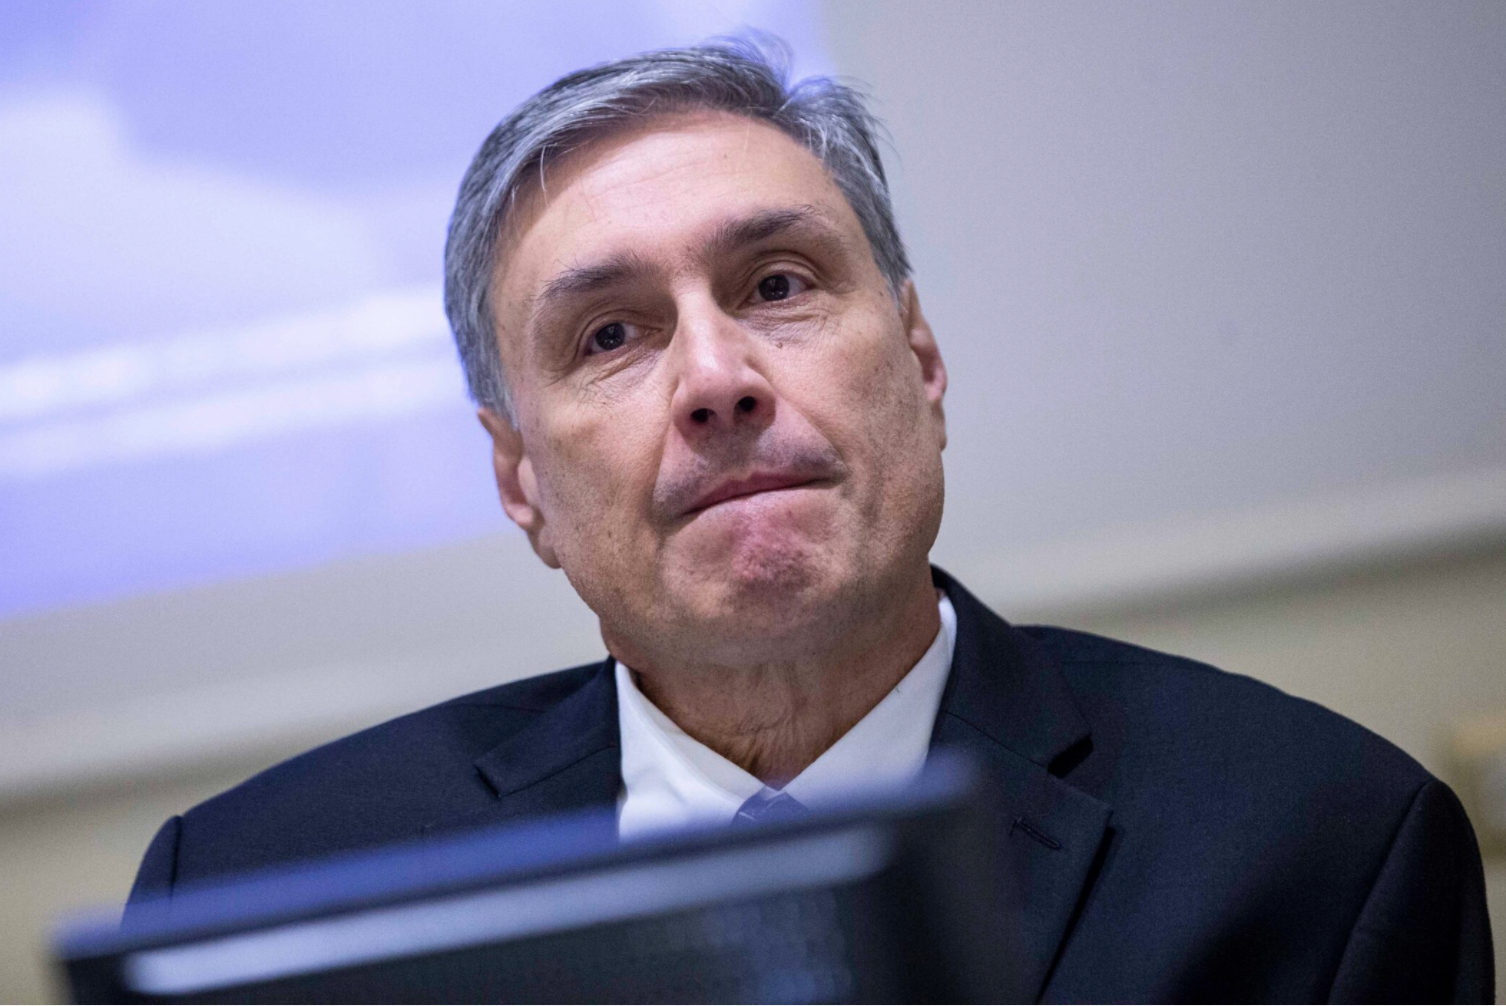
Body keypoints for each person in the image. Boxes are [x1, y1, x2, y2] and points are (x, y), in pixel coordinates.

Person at [126, 39, 1493, 1000]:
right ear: (519, 480)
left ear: (922, 362)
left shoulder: (1320, 844)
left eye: (777, 285)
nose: (716, 379)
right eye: (610, 334)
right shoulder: (253, 896)